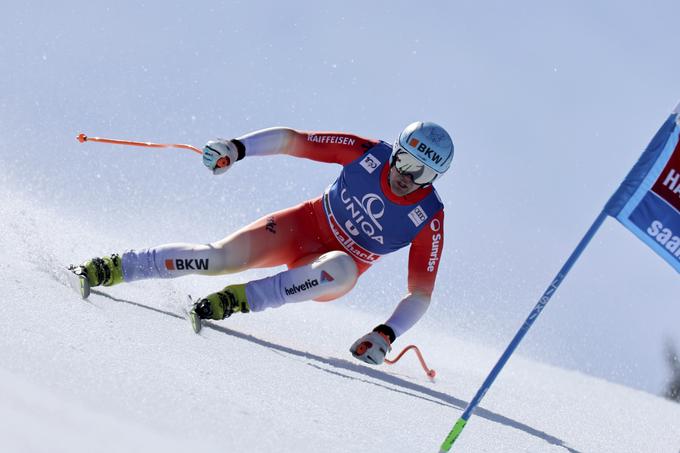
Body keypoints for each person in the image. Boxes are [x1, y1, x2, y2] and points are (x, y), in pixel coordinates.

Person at [69, 122, 453, 366]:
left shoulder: (429, 217)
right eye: (405, 161)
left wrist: (385, 334)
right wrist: (236, 148)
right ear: (396, 150)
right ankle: (116, 266)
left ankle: (236, 300)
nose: (408, 175)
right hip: (299, 227)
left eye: (424, 172)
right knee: (218, 257)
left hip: (329, 271)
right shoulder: (367, 152)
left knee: (342, 267)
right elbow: (293, 140)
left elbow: (420, 293)